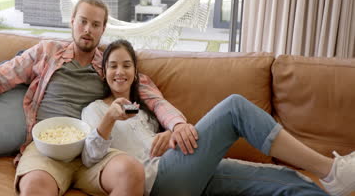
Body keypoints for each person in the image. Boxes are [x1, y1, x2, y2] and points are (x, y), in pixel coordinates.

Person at [0, 0, 196, 196]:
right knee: (34, 188)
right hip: (47, 151)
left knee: (132, 173)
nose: (88, 30)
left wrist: (177, 124)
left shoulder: (111, 64)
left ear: (103, 29)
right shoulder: (47, 52)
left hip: (95, 153)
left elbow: (152, 99)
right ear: (72, 21)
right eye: (83, 21)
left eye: (96, 25)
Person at [81, 39, 355, 196]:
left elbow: (156, 135)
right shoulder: (94, 109)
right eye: (113, 65)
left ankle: (333, 183)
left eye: (126, 65)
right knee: (234, 107)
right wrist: (109, 120)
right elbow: (90, 156)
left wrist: (167, 136)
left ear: (135, 72)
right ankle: (331, 169)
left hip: (183, 171)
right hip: (157, 182)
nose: (120, 71)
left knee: (287, 181)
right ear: (103, 72)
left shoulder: (145, 109)